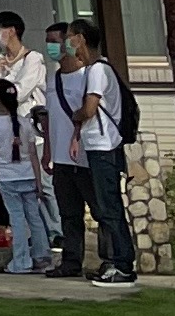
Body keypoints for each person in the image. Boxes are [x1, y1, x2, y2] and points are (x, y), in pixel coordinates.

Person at [49, 19, 136, 287]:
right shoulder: (92, 70)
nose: (67, 43)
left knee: (108, 208)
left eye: (71, 37)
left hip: (103, 147)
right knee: (105, 207)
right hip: (95, 146)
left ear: (81, 39)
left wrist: (76, 118)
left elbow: (89, 109)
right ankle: (117, 263)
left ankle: (122, 264)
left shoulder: (98, 70)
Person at [0, 31, 54, 274]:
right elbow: (32, 154)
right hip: (28, 176)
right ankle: (42, 257)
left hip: (8, 177)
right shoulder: (24, 123)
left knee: (18, 220)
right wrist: (38, 180)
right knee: (35, 218)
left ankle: (21, 261)